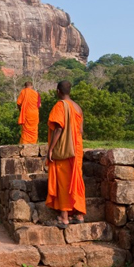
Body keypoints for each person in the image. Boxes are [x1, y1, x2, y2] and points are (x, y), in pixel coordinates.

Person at [46, 80, 86, 228]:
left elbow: (58, 129)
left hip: (64, 149)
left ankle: (64, 217)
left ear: (58, 91)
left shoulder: (60, 106)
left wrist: (50, 149)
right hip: (77, 149)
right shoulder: (78, 107)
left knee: (64, 182)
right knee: (76, 180)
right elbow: (80, 131)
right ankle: (79, 214)